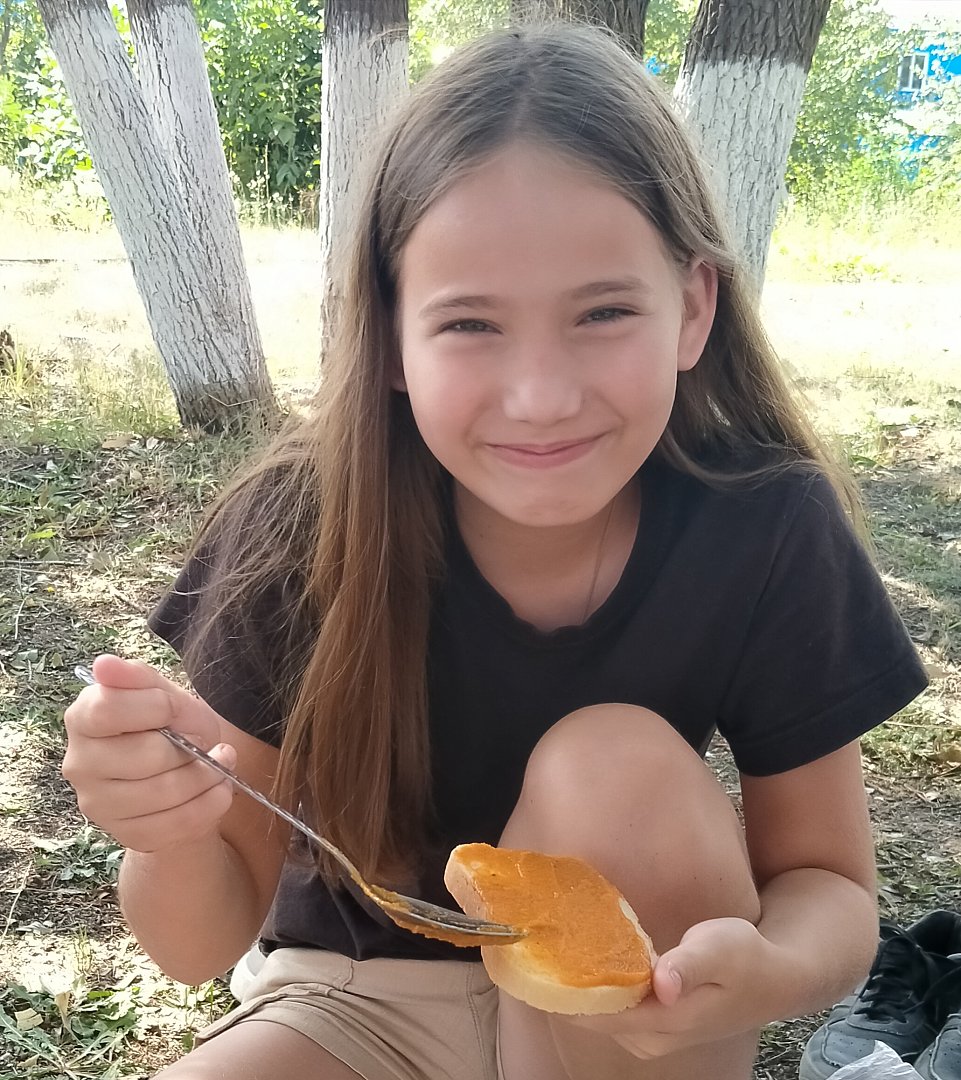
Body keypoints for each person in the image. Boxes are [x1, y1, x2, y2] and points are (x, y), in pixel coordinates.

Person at [62, 22, 928, 1080]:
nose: (541, 396)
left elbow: (828, 887)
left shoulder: (765, 524)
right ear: (388, 333)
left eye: (602, 311)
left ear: (692, 307)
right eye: (470, 324)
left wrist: (770, 970)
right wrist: (166, 828)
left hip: (623, 1007)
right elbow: (194, 946)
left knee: (613, 766)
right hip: (360, 1003)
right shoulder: (299, 530)